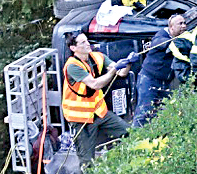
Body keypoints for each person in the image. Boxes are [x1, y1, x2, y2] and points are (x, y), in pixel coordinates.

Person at [61, 32, 131, 165]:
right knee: (87, 162)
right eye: (82, 42)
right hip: (81, 119)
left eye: (87, 41)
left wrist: (127, 63)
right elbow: (95, 84)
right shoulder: (72, 66)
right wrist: (113, 70)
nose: (88, 44)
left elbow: (121, 73)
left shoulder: (98, 57)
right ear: (73, 48)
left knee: (129, 132)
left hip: (99, 112)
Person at [130, 13, 186, 127]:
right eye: (180, 23)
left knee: (162, 113)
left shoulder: (182, 38)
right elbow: (159, 43)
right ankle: (135, 140)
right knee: (143, 113)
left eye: (185, 23)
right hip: (149, 80)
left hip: (165, 83)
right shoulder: (161, 35)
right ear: (171, 27)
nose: (184, 26)